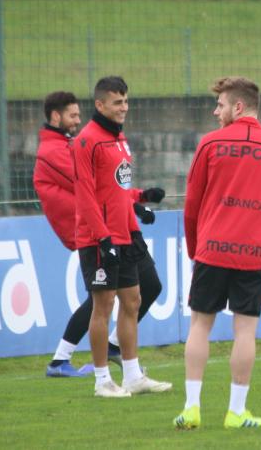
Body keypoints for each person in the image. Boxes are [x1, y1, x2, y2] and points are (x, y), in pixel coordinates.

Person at [173, 77, 261, 430]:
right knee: (245, 332)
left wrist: (196, 248)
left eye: (221, 105)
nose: (216, 112)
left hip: (212, 251)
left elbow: (191, 205)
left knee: (200, 325)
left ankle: (192, 408)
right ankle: (236, 412)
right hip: (253, 256)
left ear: (238, 107)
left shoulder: (210, 144)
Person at [33, 91, 166, 378]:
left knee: (148, 287)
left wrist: (139, 197)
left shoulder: (87, 142)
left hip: (118, 225)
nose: (78, 120)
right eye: (72, 115)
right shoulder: (57, 151)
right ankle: (67, 362)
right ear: (55, 117)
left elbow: (110, 187)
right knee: (102, 301)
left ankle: (113, 349)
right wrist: (135, 205)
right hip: (95, 231)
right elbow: (90, 191)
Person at [73, 77, 172, 397]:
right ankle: (102, 380)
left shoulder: (119, 139)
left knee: (133, 301)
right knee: (103, 305)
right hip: (99, 238)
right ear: (100, 105)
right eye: (117, 102)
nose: (124, 108)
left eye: (126, 101)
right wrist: (102, 238)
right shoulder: (87, 141)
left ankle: (132, 375)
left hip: (125, 233)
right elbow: (86, 196)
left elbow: (116, 189)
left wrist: (141, 198)